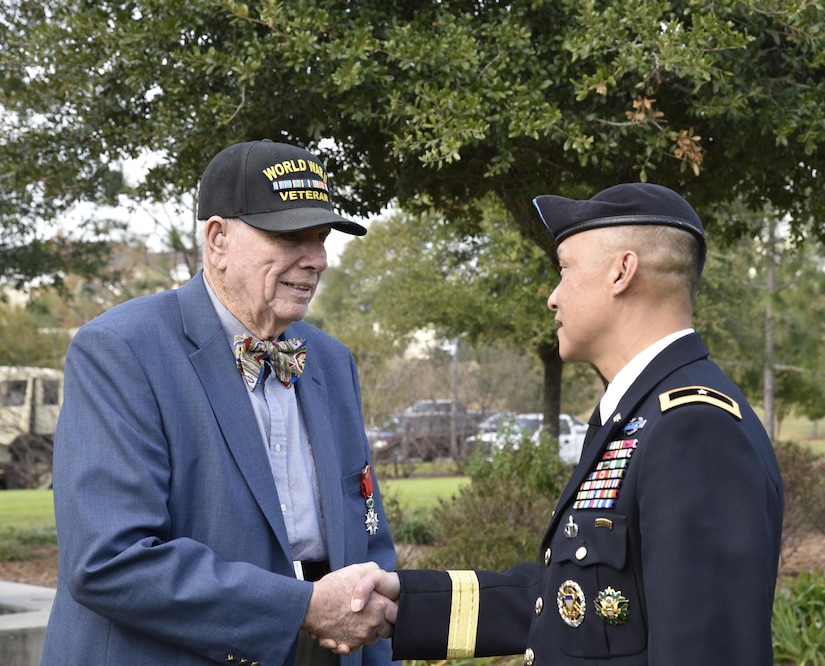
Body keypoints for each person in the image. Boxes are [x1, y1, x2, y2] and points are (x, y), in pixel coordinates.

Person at [348, 183, 784, 665]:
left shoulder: (695, 427)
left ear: (622, 271)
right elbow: (572, 599)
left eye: (565, 270)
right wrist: (403, 602)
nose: (553, 298)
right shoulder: (637, 417)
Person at [41, 139, 397, 665]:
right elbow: (109, 560)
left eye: (320, 238)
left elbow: (367, 536)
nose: (317, 259)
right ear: (218, 240)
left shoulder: (331, 361)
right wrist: (300, 608)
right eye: (291, 235)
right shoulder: (120, 349)